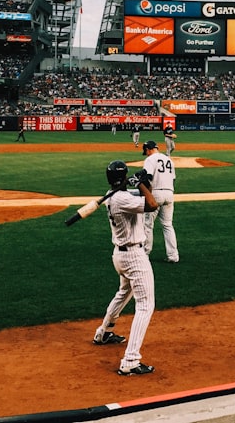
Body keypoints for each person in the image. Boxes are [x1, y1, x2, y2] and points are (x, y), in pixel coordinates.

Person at [93, 160, 159, 376]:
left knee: (124, 293)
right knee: (145, 305)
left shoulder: (113, 195)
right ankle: (130, 360)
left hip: (120, 256)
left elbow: (140, 194)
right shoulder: (122, 199)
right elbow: (152, 204)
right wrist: (141, 184)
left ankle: (103, 332)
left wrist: (142, 183)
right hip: (133, 257)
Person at [141, 140, 179, 263]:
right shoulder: (168, 159)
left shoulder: (150, 159)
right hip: (169, 193)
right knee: (168, 225)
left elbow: (148, 179)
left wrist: (147, 195)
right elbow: (173, 179)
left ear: (148, 149)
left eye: (145, 151)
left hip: (156, 193)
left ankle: (145, 254)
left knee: (148, 224)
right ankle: (173, 256)